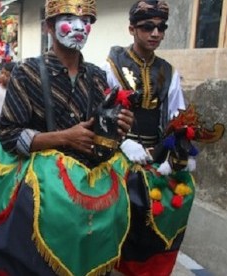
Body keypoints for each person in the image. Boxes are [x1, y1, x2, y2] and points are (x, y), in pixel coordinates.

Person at [0, 0, 135, 275]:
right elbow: (8, 135)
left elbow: (102, 136)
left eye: (85, 20)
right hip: (42, 190)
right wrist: (64, 138)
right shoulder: (27, 72)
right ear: (48, 27)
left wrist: (119, 127)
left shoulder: (99, 77)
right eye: (68, 18)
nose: (79, 26)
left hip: (89, 187)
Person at [101, 1, 188, 275]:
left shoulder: (169, 72)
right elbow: (102, 114)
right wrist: (121, 142)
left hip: (157, 154)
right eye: (147, 27)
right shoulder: (112, 65)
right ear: (131, 29)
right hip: (117, 151)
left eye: (161, 28)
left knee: (171, 206)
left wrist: (170, 152)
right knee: (114, 212)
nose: (155, 34)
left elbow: (179, 118)